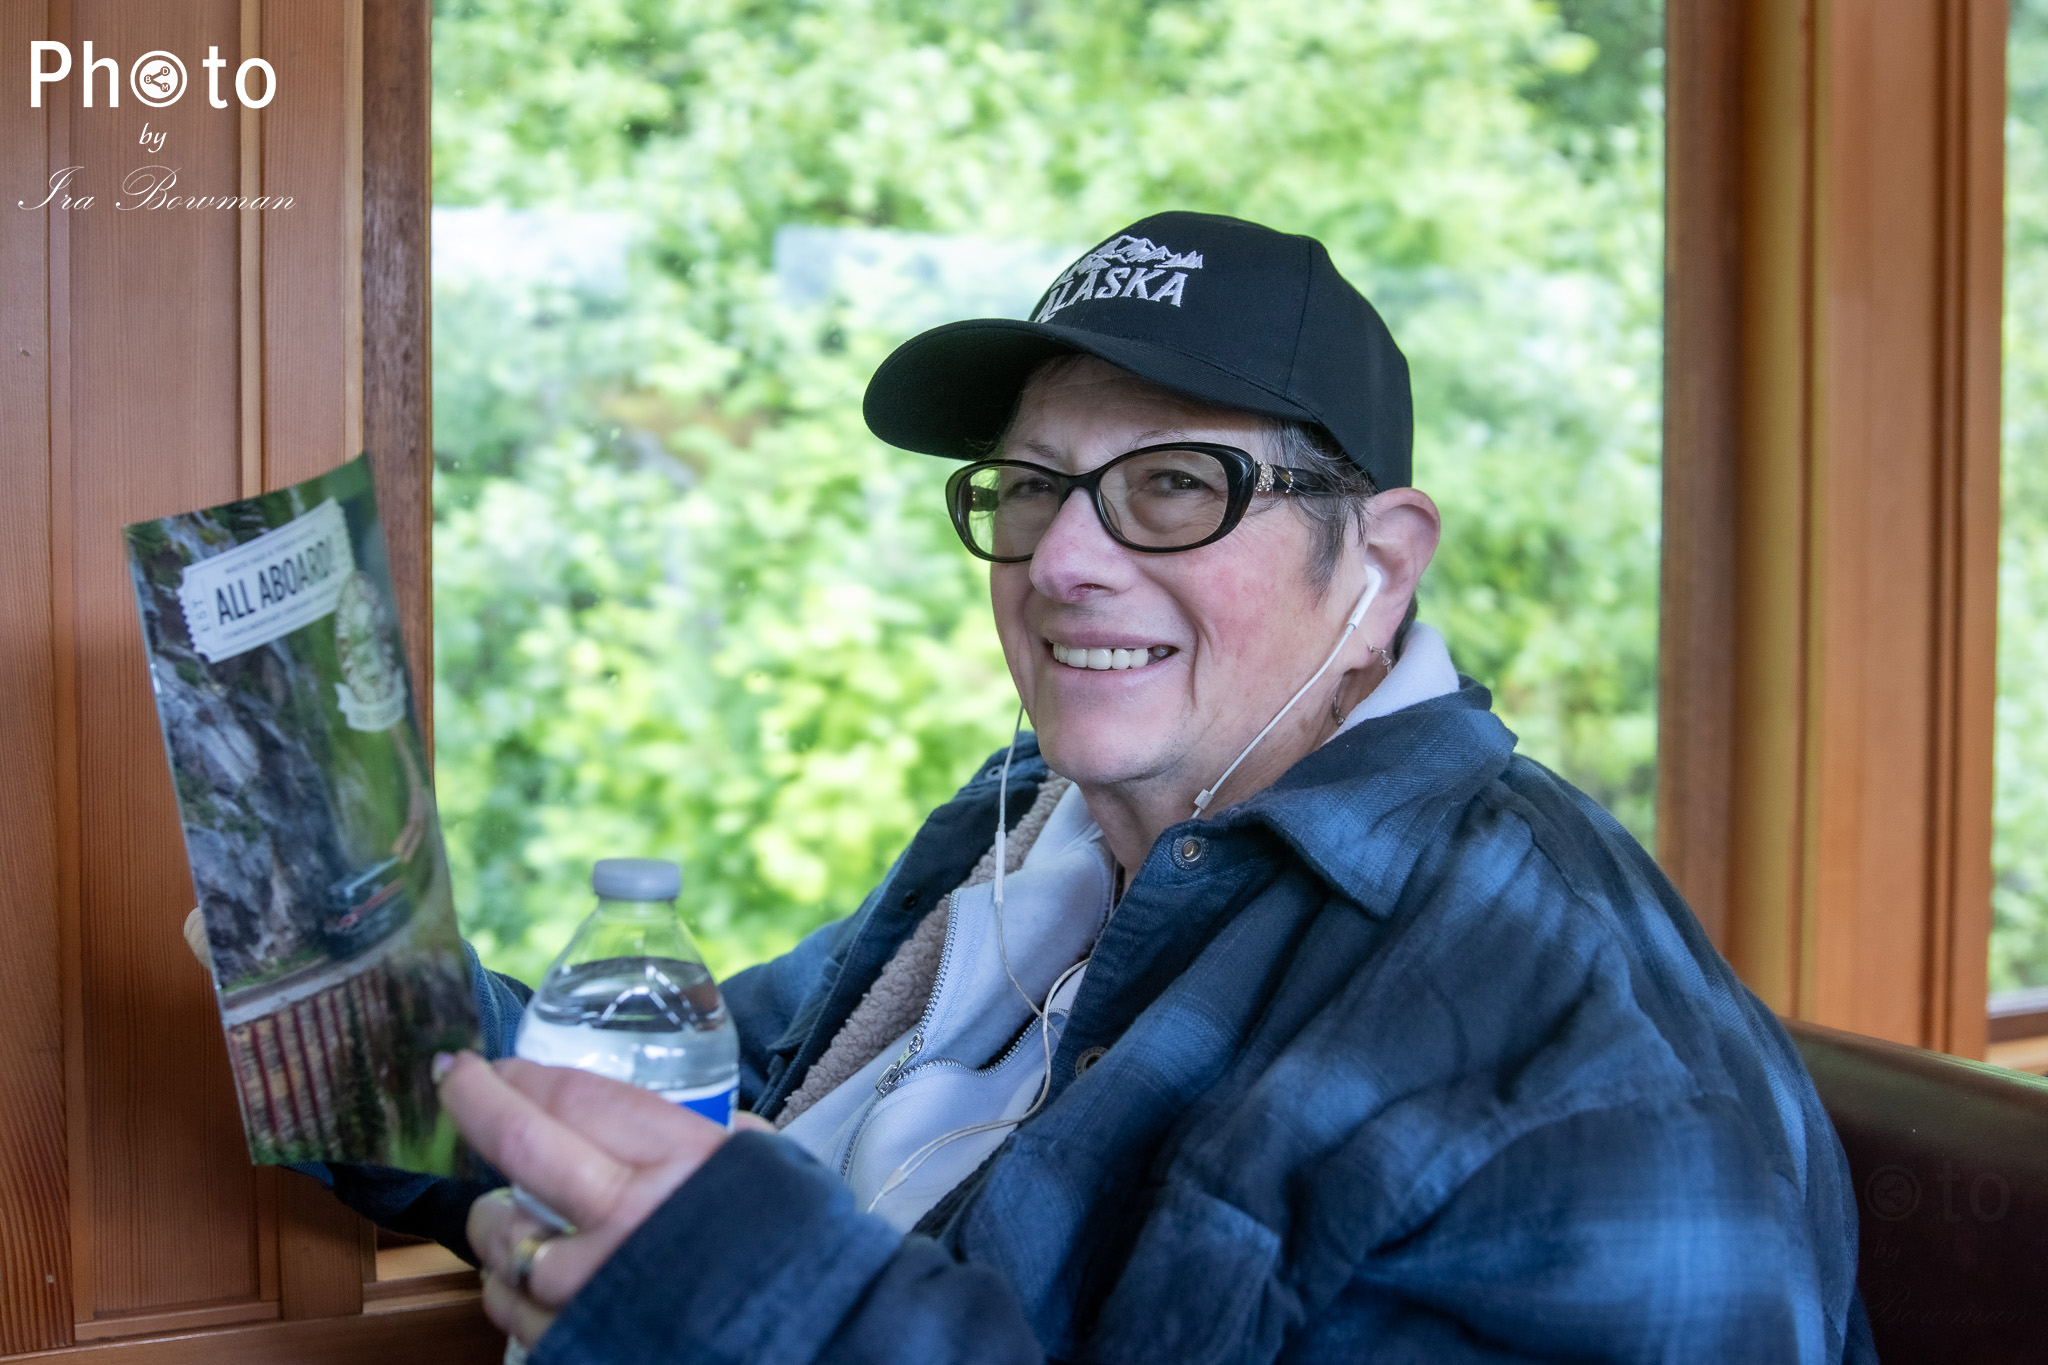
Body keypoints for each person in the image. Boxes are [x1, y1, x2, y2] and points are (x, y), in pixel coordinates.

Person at [344, 212, 1877, 1360]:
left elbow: (750, 1272)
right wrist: (325, 971)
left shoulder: (1573, 1059)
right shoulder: (1037, 821)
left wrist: (761, 1308)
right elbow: (678, 1089)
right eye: (1032, 486)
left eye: (1175, 484)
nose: (1065, 559)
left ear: (1383, 565)